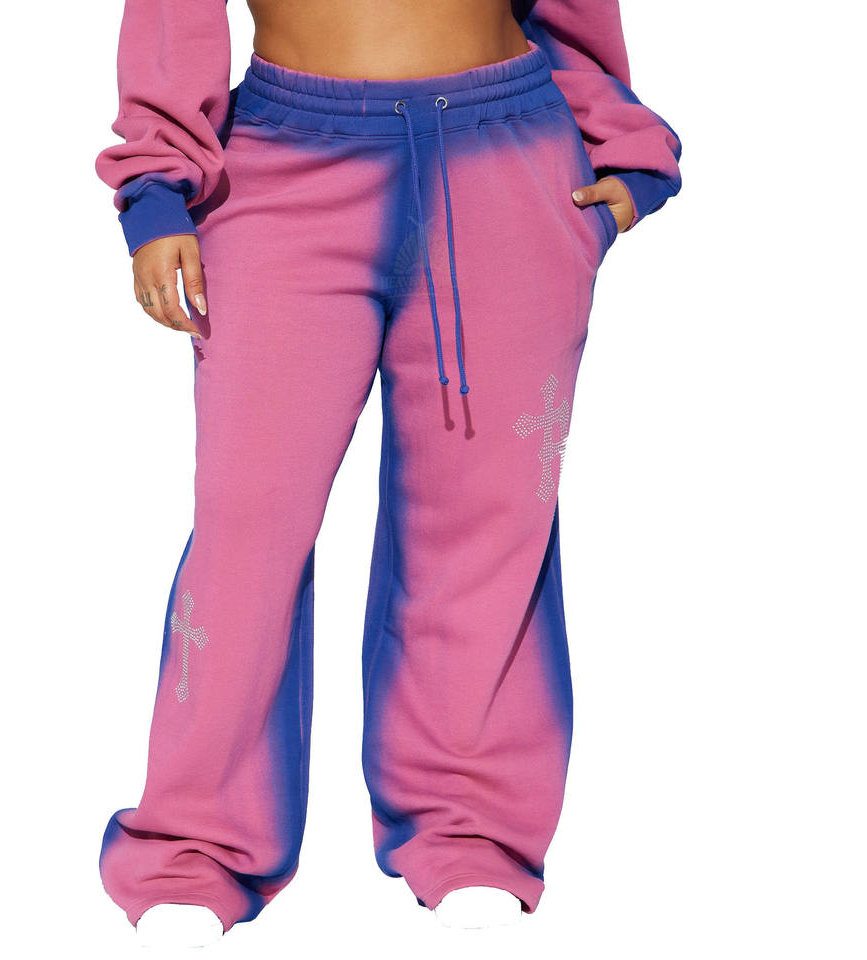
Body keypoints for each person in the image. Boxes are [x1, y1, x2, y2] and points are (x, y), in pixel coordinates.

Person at [94, 0, 681, 946]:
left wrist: (623, 151)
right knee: (250, 525)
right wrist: (157, 190)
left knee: (490, 519)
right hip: (282, 164)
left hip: (508, 154)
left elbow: (572, 13)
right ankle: (196, 845)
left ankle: (471, 834)